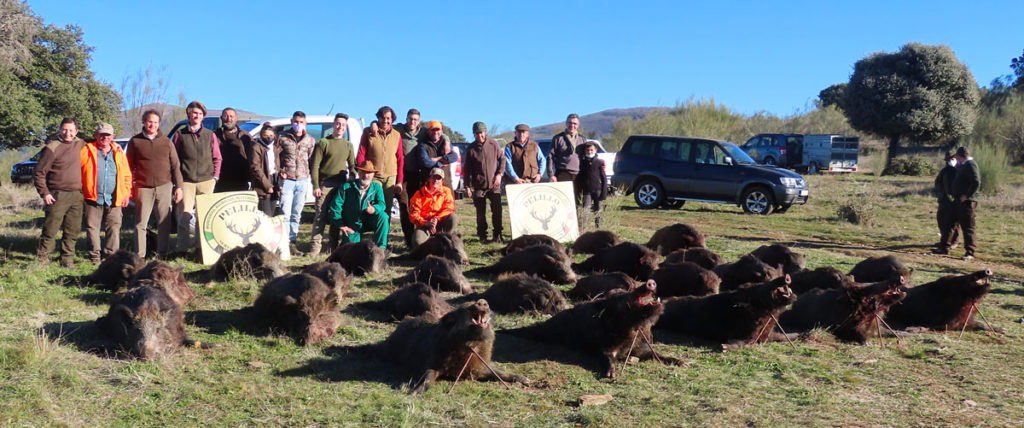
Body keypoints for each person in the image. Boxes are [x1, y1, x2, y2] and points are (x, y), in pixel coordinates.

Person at [127, 109, 183, 258]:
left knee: (164, 223)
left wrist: (179, 187)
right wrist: (130, 187)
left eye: (156, 122)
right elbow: (128, 166)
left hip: (164, 186)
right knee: (140, 224)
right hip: (143, 187)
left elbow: (175, 166)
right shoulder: (135, 141)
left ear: (159, 124)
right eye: (150, 121)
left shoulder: (166, 142)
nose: (152, 124)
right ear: (144, 122)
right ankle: (140, 256)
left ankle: (162, 254)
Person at [35, 117, 87, 267]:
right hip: (57, 194)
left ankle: (67, 260)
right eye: (64, 129)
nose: (67, 133)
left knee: (73, 230)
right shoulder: (52, 147)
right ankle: (43, 260)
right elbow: (39, 173)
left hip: (77, 194)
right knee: (50, 229)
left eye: (71, 130)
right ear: (59, 130)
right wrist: (45, 193)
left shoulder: (81, 144)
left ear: (76, 131)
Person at [172, 100, 222, 254]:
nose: (197, 116)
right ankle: (182, 249)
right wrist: (177, 183)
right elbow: (175, 160)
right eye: (194, 113)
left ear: (203, 117)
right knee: (184, 216)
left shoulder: (210, 135)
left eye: (200, 114)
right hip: (186, 181)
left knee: (204, 216)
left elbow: (217, 158)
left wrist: (215, 177)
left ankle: (202, 249)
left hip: (206, 181)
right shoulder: (180, 135)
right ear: (189, 114)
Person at [80, 123, 133, 264]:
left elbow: (127, 175)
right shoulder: (86, 150)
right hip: (92, 197)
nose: (104, 137)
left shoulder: (119, 153)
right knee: (92, 228)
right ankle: (95, 258)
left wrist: (126, 194)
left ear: (113, 137)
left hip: (114, 197)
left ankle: (111, 258)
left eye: (107, 135)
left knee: (114, 228)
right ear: (96, 135)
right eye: (101, 134)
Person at [309, 113, 356, 256]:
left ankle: (332, 246)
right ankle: (315, 247)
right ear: (333, 125)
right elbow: (315, 165)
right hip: (325, 184)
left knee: (337, 215)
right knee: (320, 216)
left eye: (343, 125)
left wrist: (353, 176)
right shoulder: (324, 143)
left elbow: (352, 165)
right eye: (338, 123)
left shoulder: (348, 145)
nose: (340, 127)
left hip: (341, 185)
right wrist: (316, 185)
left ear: (345, 127)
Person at [277, 111, 316, 256]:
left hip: (302, 180)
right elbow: (277, 157)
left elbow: (311, 159)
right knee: (284, 213)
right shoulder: (282, 139)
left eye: (301, 122)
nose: (298, 125)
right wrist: (281, 170)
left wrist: (310, 177)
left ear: (305, 123)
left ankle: (293, 242)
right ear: (291, 121)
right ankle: (284, 242)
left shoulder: (310, 140)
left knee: (296, 213)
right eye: (296, 121)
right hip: (287, 179)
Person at [357, 106, 405, 222]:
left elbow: (399, 158)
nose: (385, 121)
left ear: (392, 119)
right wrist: (362, 172)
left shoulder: (396, 135)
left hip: (390, 176)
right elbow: (361, 153)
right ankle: (368, 231)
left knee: (387, 207)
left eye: (388, 118)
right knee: (371, 204)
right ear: (378, 118)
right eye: (383, 118)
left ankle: (384, 236)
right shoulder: (368, 132)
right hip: (373, 176)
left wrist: (399, 181)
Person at [327, 160, 389, 249]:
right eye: (363, 172)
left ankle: (380, 249)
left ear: (373, 175)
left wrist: (374, 209)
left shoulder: (377, 187)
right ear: (358, 173)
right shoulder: (346, 187)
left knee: (383, 216)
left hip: (368, 221)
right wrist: (341, 225)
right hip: (351, 225)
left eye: (369, 173)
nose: (366, 175)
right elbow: (335, 207)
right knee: (351, 251)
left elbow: (382, 204)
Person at [462, 121, 505, 243]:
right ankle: (482, 236)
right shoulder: (471, 148)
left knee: (497, 210)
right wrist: (467, 186)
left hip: (494, 185)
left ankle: (497, 234)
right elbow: (467, 169)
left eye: (481, 133)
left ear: (485, 132)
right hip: (479, 186)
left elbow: (502, 159)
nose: (479, 135)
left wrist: (499, 175)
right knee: (480, 213)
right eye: (476, 133)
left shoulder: (493, 144)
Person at [405, 120, 457, 201]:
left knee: (448, 211)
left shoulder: (446, 143)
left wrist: (438, 159)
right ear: (428, 131)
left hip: (445, 184)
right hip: (428, 186)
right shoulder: (423, 145)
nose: (435, 132)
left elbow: (454, 157)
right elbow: (426, 162)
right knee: (428, 210)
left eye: (438, 130)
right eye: (433, 130)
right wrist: (441, 162)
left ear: (441, 131)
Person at [408, 167, 456, 250]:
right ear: (429, 178)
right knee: (417, 242)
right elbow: (413, 215)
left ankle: (445, 240)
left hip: (440, 224)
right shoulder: (419, 194)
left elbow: (449, 209)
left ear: (442, 181)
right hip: (424, 225)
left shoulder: (446, 192)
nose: (436, 180)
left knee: (453, 217)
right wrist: (426, 223)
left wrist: (436, 219)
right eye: (434, 177)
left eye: (439, 178)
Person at [951, 146, 980, 261]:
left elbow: (976, 181)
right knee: (958, 223)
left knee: (968, 227)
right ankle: (954, 243)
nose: (956, 159)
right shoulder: (964, 165)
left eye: (957, 157)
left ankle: (970, 252)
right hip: (961, 201)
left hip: (967, 202)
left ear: (960, 156)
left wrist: (967, 196)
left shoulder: (971, 165)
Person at [213, 107, 253, 192]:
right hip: (220, 181)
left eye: (231, 116)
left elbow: (252, 158)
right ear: (221, 118)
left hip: (241, 180)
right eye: (226, 116)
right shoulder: (214, 135)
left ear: (236, 119)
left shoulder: (245, 136)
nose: (229, 119)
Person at [248, 122, 281, 217]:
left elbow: (276, 165)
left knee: (272, 212)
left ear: (274, 135)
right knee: (266, 215)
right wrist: (267, 185)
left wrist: (282, 172)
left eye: (271, 135)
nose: (268, 138)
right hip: (262, 183)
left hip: (274, 181)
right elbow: (256, 168)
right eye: (265, 135)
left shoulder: (274, 148)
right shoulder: (256, 147)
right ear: (261, 135)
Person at [931, 151, 960, 255]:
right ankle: (944, 240)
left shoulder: (960, 170)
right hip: (943, 200)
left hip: (955, 201)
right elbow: (937, 182)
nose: (950, 161)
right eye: (948, 159)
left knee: (954, 223)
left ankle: (954, 242)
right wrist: (941, 191)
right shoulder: (945, 171)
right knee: (941, 220)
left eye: (952, 159)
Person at [575, 141, 608, 230]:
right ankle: (583, 228)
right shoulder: (582, 162)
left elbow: (604, 178)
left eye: (591, 150)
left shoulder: (599, 162)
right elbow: (580, 176)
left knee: (599, 210)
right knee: (585, 210)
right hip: (586, 191)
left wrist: (604, 193)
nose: (589, 152)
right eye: (588, 150)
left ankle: (599, 229)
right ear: (585, 151)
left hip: (597, 190)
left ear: (595, 150)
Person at [548, 113, 585, 187]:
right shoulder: (558, 138)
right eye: (570, 123)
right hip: (563, 174)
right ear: (566, 123)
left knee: (577, 198)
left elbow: (587, 156)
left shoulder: (582, 139)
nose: (572, 125)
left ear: (578, 125)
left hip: (579, 174)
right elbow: (550, 157)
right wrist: (551, 174)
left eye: (575, 123)